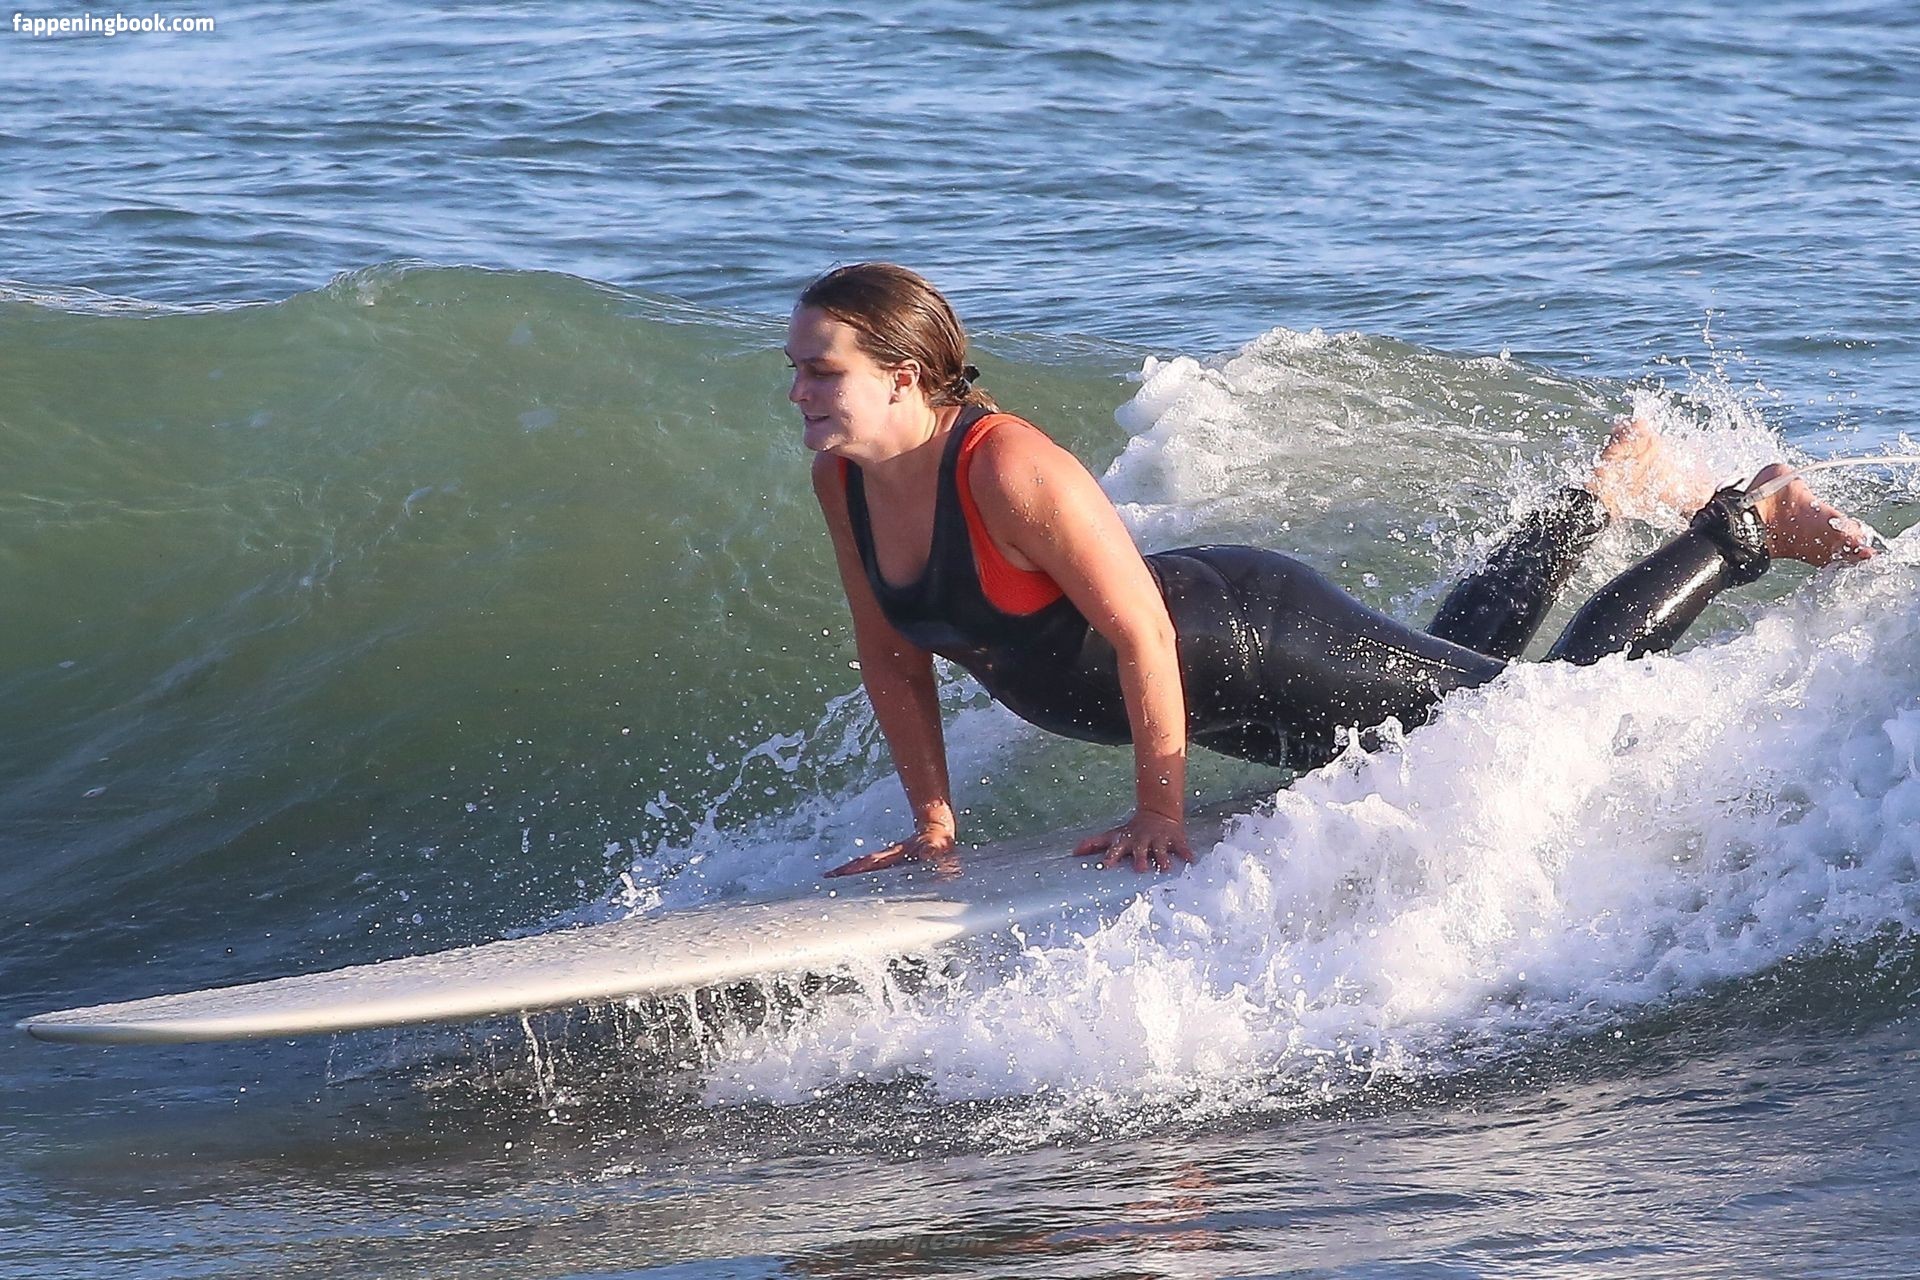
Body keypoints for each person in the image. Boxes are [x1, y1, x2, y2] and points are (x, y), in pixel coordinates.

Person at [790, 263, 1874, 878]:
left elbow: (1140, 633)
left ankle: (1747, 520)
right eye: (796, 370)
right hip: (1230, 696)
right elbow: (892, 653)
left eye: (821, 371)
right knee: (1453, 695)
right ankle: (1601, 491)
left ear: (904, 376)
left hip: (1253, 637)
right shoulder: (845, 479)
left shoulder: (1005, 465)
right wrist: (934, 825)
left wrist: (1158, 812)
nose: (799, 392)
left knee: (1534, 716)